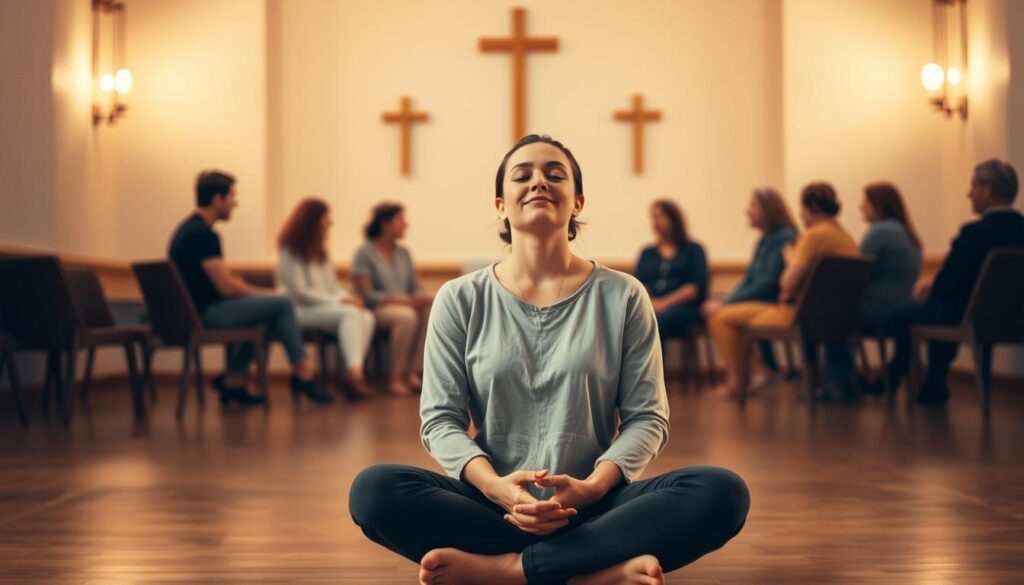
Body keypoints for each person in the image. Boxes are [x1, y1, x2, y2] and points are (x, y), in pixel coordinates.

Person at [349, 134, 749, 585]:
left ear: (576, 202)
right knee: (374, 490)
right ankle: (592, 572)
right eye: (523, 175)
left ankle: (508, 571)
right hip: (493, 505)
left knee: (722, 492)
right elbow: (439, 420)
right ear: (501, 204)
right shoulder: (459, 298)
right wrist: (497, 488)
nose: (539, 181)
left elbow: (647, 417)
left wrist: (595, 486)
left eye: (554, 174)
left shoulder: (624, 295)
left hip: (597, 507)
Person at [168, 170, 332, 406]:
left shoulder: (188, 230)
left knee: (266, 317)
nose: (236, 203)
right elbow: (226, 287)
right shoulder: (202, 235)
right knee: (283, 303)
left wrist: (258, 295)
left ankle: (233, 381)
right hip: (204, 313)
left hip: (195, 310)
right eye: (232, 197)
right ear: (217, 200)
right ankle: (303, 374)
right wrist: (269, 294)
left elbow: (222, 282)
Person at [885, 159, 1024, 404]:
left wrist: (930, 285)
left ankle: (897, 376)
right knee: (943, 307)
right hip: (1016, 318)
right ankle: (933, 382)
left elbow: (947, 285)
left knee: (904, 313)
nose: (968, 193)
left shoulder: (973, 234)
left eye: (972, 186)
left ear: (987, 190)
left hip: (970, 316)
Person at [709, 182, 858, 399]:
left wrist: (790, 258)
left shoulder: (813, 236)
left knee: (722, 318)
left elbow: (787, 284)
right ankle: (755, 373)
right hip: (838, 315)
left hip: (801, 313)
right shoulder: (846, 237)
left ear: (812, 208)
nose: (800, 215)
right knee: (724, 314)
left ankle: (746, 377)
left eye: (803, 209)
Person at [276, 198, 376, 399]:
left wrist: (349, 298)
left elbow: (332, 287)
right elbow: (299, 292)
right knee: (351, 314)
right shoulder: (289, 251)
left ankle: (353, 371)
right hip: (297, 310)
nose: (330, 222)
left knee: (365, 315)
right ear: (312, 222)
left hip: (322, 308)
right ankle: (354, 375)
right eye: (326, 218)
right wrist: (339, 302)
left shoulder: (321, 251)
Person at [702, 188, 798, 376]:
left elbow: (768, 282)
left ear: (769, 210)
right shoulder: (765, 241)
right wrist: (728, 299)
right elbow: (749, 280)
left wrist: (727, 302)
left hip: (773, 303)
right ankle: (755, 370)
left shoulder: (784, 238)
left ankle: (742, 376)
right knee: (717, 312)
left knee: (720, 317)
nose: (747, 211)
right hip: (760, 301)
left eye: (754, 206)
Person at [352, 203, 433, 396]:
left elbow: (414, 285)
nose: (406, 225)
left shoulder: (403, 253)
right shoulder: (364, 253)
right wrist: (403, 301)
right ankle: (394, 377)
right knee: (406, 317)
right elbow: (366, 294)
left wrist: (422, 296)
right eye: (400, 220)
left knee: (430, 311)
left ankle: (413, 372)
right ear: (385, 224)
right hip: (378, 308)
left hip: (405, 305)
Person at [852, 183, 922, 395]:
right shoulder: (907, 233)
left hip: (878, 310)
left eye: (865, 202)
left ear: (878, 205)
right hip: (904, 308)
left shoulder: (880, 231)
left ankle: (840, 380)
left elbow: (854, 273)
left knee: (826, 317)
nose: (860, 206)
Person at [634, 200, 708, 356]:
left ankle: (656, 377)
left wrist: (664, 303)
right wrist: (651, 303)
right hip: (653, 306)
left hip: (686, 309)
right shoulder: (647, 253)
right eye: (653, 218)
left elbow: (695, 288)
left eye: (660, 217)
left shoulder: (694, 250)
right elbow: (638, 284)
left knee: (660, 319)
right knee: (631, 319)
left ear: (674, 219)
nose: (655, 222)